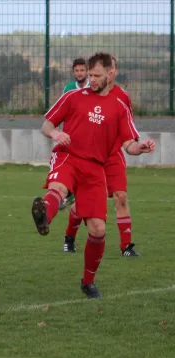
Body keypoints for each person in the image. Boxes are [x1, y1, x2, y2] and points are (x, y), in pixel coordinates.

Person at [31, 52, 155, 299]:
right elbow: (46, 125)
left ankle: (88, 282)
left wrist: (139, 148)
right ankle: (44, 214)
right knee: (59, 187)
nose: (92, 79)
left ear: (110, 74)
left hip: (96, 168)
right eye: (89, 75)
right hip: (69, 155)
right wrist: (56, 135)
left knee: (98, 230)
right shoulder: (73, 97)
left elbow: (129, 143)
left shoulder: (120, 106)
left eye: (96, 75)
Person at [63, 56, 140, 257]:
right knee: (82, 205)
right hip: (89, 157)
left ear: (113, 72)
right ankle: (69, 237)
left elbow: (128, 128)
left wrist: (137, 145)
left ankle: (126, 246)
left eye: (113, 68)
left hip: (113, 155)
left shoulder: (123, 97)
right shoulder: (87, 94)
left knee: (121, 196)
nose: (111, 71)